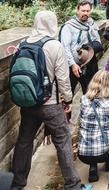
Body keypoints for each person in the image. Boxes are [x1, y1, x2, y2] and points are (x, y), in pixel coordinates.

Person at [11, 11, 83, 190]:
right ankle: (72, 184)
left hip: (28, 102)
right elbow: (62, 77)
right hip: (50, 103)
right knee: (63, 141)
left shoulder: (23, 43)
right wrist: (67, 99)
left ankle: (17, 183)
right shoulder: (54, 45)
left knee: (24, 141)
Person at [78, 70, 109, 183]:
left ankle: (92, 167)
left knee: (92, 133)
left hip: (83, 154)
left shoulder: (83, 99)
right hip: (104, 152)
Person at [60, 0, 102, 95]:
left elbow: (97, 41)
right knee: (68, 94)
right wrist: (73, 64)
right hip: (72, 66)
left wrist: (89, 48)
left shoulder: (91, 24)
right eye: (83, 11)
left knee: (90, 93)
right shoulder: (68, 27)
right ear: (77, 10)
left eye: (88, 11)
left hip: (90, 64)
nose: (85, 13)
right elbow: (65, 47)